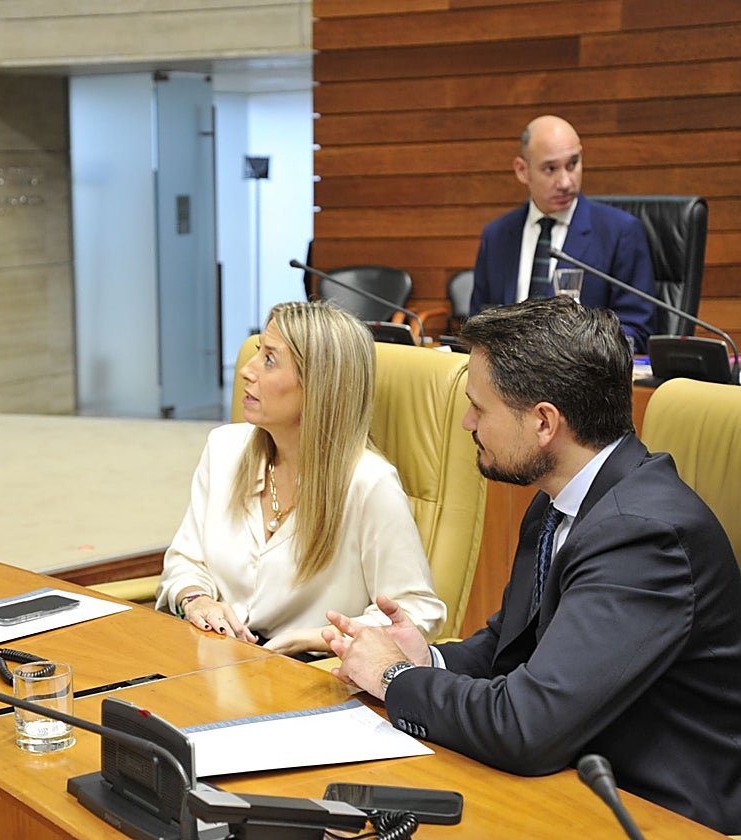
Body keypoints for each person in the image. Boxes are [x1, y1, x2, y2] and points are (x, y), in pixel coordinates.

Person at [323, 297, 741, 835]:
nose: (467, 421)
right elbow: (512, 644)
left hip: (657, 813)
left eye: (480, 406)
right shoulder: (560, 498)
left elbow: (525, 725)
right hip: (573, 776)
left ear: (544, 422)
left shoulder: (644, 535)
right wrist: (427, 656)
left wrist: (395, 677)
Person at [155, 302, 446, 658]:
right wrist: (197, 600)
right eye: (257, 352)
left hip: (311, 675)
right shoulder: (224, 448)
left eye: (269, 360)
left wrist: (318, 638)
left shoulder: (369, 483)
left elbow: (416, 613)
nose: (246, 370)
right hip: (214, 661)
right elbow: (185, 560)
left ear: (318, 383)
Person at [469, 115, 656, 349]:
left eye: (572, 164)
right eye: (550, 169)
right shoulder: (496, 237)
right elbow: (478, 323)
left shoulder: (620, 233)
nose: (566, 182)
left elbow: (636, 329)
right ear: (522, 170)